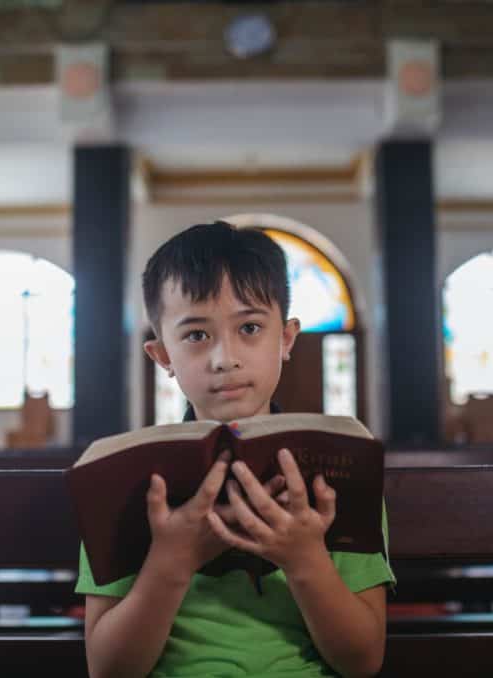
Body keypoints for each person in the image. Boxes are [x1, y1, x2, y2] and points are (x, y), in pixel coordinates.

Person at [75, 221, 395, 677]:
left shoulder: (336, 472)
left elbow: (362, 661)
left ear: (285, 339)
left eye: (249, 327)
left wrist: (304, 557)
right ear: (162, 355)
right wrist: (172, 561)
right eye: (196, 335)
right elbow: (108, 670)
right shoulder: (127, 479)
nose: (225, 357)